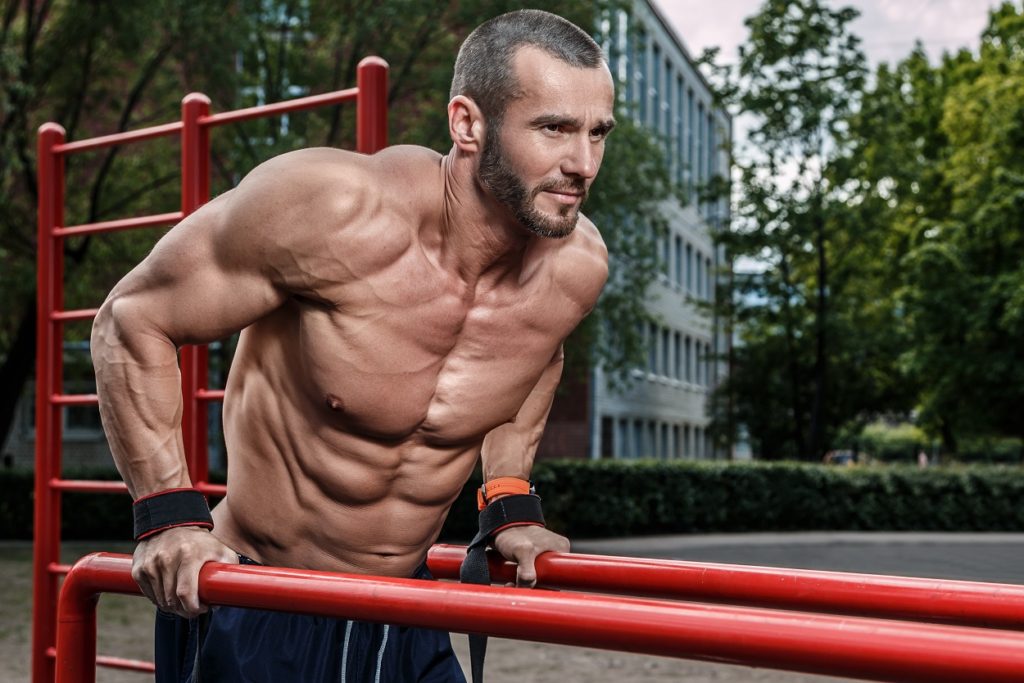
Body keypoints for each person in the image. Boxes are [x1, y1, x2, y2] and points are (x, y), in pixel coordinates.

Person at [91, 9, 615, 683]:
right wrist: (166, 516)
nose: (582, 163)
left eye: (598, 133)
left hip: (405, 614)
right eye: (554, 128)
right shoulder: (332, 212)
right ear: (468, 124)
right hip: (260, 604)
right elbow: (131, 319)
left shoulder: (575, 269)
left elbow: (534, 357)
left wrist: (509, 504)